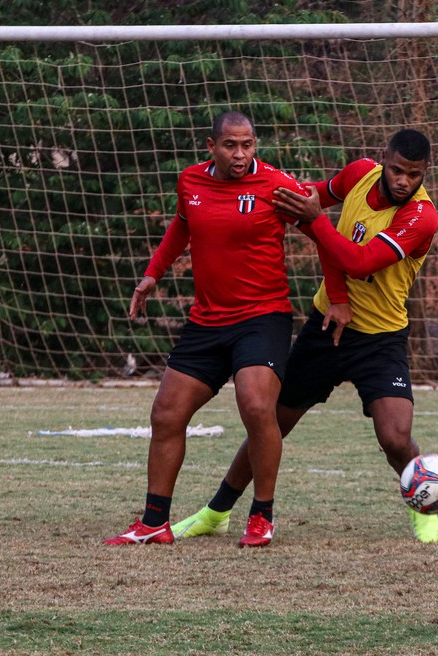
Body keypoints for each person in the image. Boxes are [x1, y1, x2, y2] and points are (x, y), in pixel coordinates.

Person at [169, 128, 438, 543]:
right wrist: (255, 188)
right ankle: (216, 511)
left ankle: (423, 505)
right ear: (382, 158)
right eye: (397, 170)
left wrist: (315, 218)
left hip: (380, 338)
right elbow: (310, 196)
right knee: (270, 424)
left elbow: (357, 260)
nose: (404, 181)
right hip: (325, 328)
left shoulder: (421, 217)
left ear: (426, 172)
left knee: (395, 437)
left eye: (414, 174)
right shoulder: (358, 174)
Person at [104, 111, 314, 548]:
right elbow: (181, 226)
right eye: (230, 146)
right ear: (211, 145)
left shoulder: (277, 184)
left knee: (257, 406)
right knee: (165, 413)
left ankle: (261, 517)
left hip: (263, 317)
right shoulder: (191, 182)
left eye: (248, 145)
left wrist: (343, 297)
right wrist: (153, 274)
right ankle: (154, 522)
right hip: (207, 320)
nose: (240, 155)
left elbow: (320, 229)